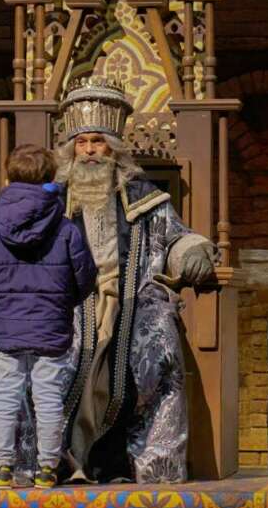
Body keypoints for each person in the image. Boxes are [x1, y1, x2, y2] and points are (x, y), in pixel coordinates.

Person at [54, 76, 217, 484]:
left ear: (114, 146)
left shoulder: (143, 197)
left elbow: (176, 237)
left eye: (98, 141)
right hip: (68, 301)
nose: (90, 151)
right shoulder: (51, 199)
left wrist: (193, 251)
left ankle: (141, 462)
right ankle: (58, 459)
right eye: (82, 142)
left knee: (157, 340)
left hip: (131, 300)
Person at [0, 144, 97, 489]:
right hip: (51, 325)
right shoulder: (66, 228)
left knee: (5, 395)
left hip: (7, 325)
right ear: (49, 177)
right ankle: (47, 468)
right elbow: (85, 277)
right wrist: (63, 301)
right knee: (48, 397)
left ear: (10, 176)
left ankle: (1, 468)